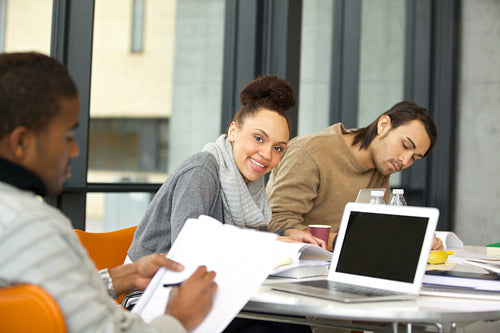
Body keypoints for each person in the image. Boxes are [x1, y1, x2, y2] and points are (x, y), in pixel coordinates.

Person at [0, 52, 217, 333]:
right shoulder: (31, 225)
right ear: (21, 143)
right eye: (68, 137)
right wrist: (179, 319)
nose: (75, 151)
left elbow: (48, 294)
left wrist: (114, 279)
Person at [127, 75, 324, 263]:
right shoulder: (201, 172)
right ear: (233, 131)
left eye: (278, 148)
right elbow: (188, 249)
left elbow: (245, 241)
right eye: (258, 138)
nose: (267, 154)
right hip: (149, 286)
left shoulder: (251, 184)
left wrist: (286, 234)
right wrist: (269, 244)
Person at [266, 101, 443, 251]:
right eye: (405, 145)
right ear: (383, 125)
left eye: (414, 158)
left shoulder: (381, 167)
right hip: (298, 268)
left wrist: (415, 239)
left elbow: (373, 231)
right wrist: (345, 242)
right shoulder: (309, 152)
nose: (405, 161)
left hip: (347, 263)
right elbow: (278, 222)